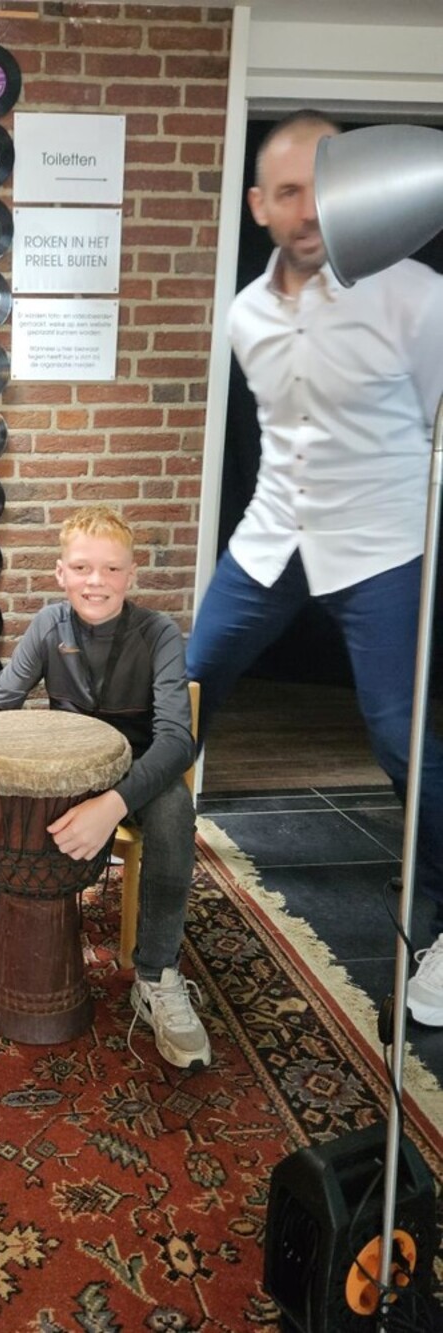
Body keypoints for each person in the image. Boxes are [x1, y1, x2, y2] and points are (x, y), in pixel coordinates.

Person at [185, 109, 443, 1027]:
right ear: (258, 204)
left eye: (324, 190)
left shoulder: (415, 296)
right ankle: (145, 842)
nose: (308, 211)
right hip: (272, 539)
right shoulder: (246, 314)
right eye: (289, 192)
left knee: (401, 737)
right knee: (187, 687)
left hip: (380, 545)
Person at [0, 505, 210, 1071]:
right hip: (68, 774)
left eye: (111, 569)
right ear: (61, 573)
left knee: (175, 810)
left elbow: (179, 741)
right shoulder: (49, 624)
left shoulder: (159, 634)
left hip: (136, 776)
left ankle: (157, 974)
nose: (95, 581)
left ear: (131, 575)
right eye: (82, 568)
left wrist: (115, 803)